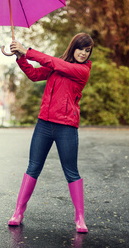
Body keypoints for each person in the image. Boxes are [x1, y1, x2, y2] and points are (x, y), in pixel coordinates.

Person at [8, 33, 94, 233]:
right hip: (44, 124)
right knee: (33, 167)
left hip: (66, 126)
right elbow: (34, 74)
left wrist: (27, 50)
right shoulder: (58, 64)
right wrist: (20, 57)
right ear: (73, 47)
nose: (83, 53)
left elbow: (55, 63)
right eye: (80, 48)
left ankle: (80, 218)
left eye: (87, 51)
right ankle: (18, 212)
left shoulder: (82, 70)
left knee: (71, 171)